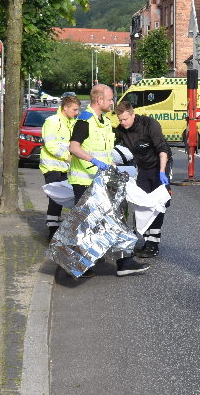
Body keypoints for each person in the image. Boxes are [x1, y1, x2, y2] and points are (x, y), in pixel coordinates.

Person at [69, 84, 150, 277]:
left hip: (104, 180)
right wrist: (94, 161)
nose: (113, 102)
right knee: (87, 225)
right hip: (85, 181)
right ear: (99, 100)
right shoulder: (85, 120)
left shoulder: (104, 122)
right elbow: (74, 147)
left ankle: (124, 262)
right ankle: (80, 264)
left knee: (118, 218)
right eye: (110, 99)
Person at [114, 101, 172, 258]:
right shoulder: (121, 131)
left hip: (160, 164)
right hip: (143, 168)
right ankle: (144, 240)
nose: (123, 123)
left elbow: (162, 150)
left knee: (158, 203)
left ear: (133, 114)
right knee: (142, 204)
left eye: (125, 119)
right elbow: (114, 151)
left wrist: (162, 172)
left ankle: (153, 245)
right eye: (120, 120)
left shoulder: (149, 124)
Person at [40, 95, 80, 240]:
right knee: (55, 198)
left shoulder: (71, 121)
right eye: (75, 109)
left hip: (65, 167)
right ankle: (52, 229)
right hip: (52, 166)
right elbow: (51, 145)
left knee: (63, 197)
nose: (77, 112)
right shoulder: (52, 122)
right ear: (66, 108)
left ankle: (56, 226)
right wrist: (67, 157)